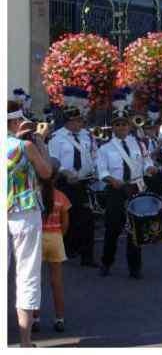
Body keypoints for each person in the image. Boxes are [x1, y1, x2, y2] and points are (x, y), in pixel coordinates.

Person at [7, 101, 53, 347]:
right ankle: (25, 341)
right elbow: (46, 172)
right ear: (15, 122)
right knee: (26, 273)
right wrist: (40, 141)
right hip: (24, 211)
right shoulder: (24, 146)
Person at [97, 107, 158, 279]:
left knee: (135, 229)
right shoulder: (105, 148)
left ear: (129, 126)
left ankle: (135, 267)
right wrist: (111, 180)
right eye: (118, 125)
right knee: (113, 228)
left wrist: (150, 167)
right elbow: (101, 171)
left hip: (135, 188)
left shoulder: (139, 144)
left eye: (124, 124)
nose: (121, 127)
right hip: (116, 190)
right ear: (113, 127)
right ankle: (106, 262)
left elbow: (146, 161)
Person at [48, 102, 97, 267]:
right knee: (69, 217)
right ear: (68, 122)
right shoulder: (57, 137)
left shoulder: (87, 135)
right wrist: (65, 172)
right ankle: (68, 249)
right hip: (66, 181)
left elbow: (94, 154)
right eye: (76, 121)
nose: (80, 123)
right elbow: (53, 160)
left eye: (80, 120)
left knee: (87, 218)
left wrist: (96, 168)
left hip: (84, 181)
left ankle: (87, 256)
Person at [32, 159, 70, 333]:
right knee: (57, 282)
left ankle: (35, 318)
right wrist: (59, 235)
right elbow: (65, 223)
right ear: (55, 179)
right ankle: (60, 318)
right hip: (55, 237)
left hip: (38, 238)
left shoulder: (34, 195)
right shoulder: (61, 197)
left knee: (34, 281)